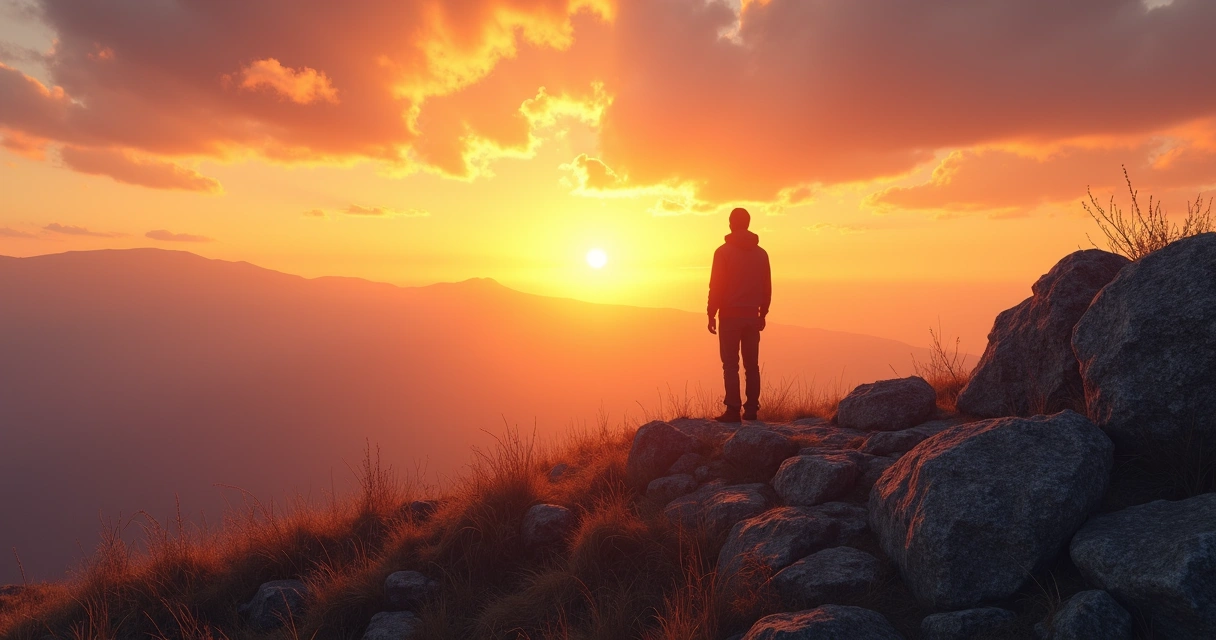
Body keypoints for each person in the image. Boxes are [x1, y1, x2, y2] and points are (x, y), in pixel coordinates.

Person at [707, 207, 771, 423]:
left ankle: (733, 410)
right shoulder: (761, 254)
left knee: (730, 364)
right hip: (752, 316)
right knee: (752, 365)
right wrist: (763, 312)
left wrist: (710, 312)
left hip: (729, 316)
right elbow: (766, 286)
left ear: (731, 224)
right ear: (748, 223)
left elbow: (716, 286)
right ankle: (752, 409)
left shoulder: (723, 252)